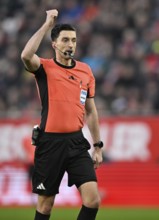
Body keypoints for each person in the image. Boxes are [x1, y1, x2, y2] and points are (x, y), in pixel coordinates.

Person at [21, 9, 103, 220]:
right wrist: (47, 25)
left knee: (93, 200)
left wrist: (97, 145)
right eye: (65, 40)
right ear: (54, 44)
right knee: (46, 205)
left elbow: (91, 112)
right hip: (50, 144)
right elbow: (25, 55)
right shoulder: (44, 68)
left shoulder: (85, 71)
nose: (70, 44)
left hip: (76, 143)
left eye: (73, 40)